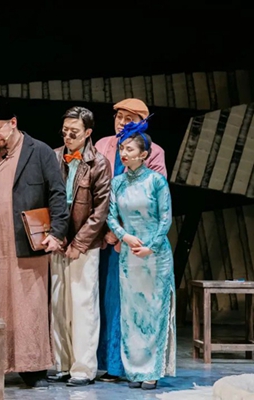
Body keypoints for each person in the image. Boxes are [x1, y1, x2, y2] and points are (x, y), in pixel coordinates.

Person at [0, 96, 68, 388]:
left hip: (28, 242)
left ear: (13, 123)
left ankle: (34, 369)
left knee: (30, 306)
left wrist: (58, 232)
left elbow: (57, 193)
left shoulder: (40, 152)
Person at [94, 98, 167, 382]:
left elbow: (152, 200)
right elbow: (96, 191)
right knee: (106, 301)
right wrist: (106, 230)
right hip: (103, 235)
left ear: (142, 123)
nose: (122, 123)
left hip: (136, 240)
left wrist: (122, 233)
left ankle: (135, 366)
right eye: (119, 117)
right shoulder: (103, 145)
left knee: (131, 303)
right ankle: (110, 364)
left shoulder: (154, 152)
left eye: (129, 118)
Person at [106, 119, 175, 390]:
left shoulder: (156, 181)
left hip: (155, 256)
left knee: (153, 312)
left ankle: (152, 370)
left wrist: (151, 246)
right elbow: (111, 216)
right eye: (122, 149)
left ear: (144, 154)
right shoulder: (117, 183)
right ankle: (134, 370)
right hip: (129, 256)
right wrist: (124, 236)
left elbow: (165, 219)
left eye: (130, 150)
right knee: (131, 314)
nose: (123, 153)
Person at [50, 106, 111, 387]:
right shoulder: (54, 157)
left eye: (74, 132)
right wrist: (56, 235)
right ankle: (61, 363)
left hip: (85, 244)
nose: (68, 136)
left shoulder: (98, 163)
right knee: (58, 305)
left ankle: (83, 368)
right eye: (64, 131)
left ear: (88, 133)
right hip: (58, 241)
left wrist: (79, 242)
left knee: (83, 304)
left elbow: (101, 210)